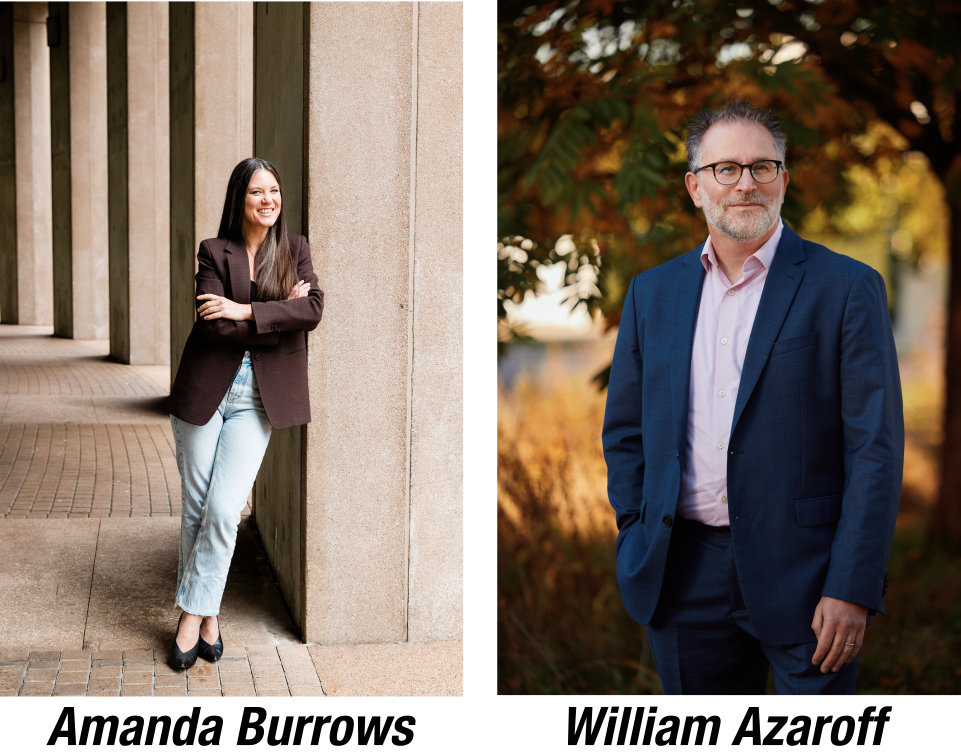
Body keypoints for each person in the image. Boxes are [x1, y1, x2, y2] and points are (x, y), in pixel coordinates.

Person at [602, 100, 903, 701]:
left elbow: (875, 448)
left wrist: (852, 584)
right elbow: (627, 432)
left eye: (763, 167)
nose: (746, 182)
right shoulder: (651, 294)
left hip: (811, 578)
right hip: (681, 573)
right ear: (695, 186)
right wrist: (636, 530)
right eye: (725, 169)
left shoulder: (846, 287)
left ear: (783, 180)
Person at [165, 157, 324, 669]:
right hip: (205, 392)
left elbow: (314, 310)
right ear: (240, 198)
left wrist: (243, 309)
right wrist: (278, 314)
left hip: (258, 399)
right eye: (257, 191)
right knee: (196, 508)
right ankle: (209, 618)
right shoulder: (214, 251)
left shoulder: (294, 249)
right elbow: (213, 327)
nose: (268, 200)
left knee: (222, 509)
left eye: (274, 190)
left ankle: (190, 612)